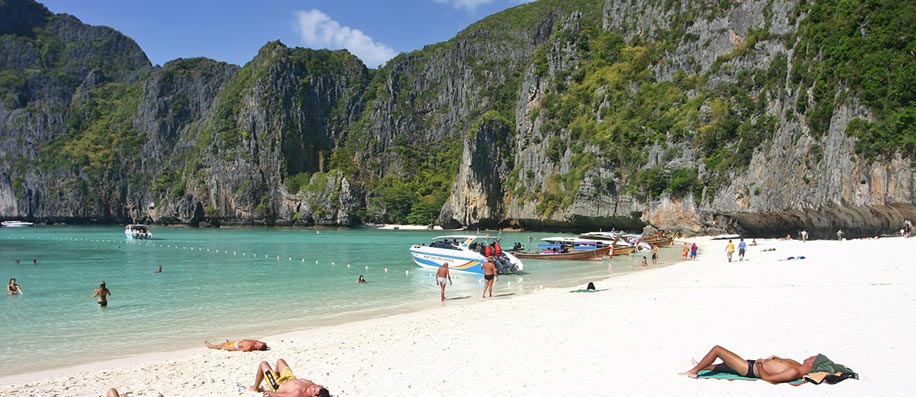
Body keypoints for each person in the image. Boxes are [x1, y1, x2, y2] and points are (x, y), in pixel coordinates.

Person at [682, 345, 816, 384]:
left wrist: (760, 365)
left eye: (813, 358)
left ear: (812, 364)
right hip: (752, 365)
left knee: (717, 350)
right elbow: (781, 365)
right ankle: (703, 365)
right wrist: (777, 358)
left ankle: (694, 371)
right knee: (725, 366)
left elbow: (768, 378)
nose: (810, 356)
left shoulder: (795, 372)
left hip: (749, 369)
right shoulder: (797, 365)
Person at [249, 358, 330, 397]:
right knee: (280, 361)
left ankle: (255, 387)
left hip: (277, 385)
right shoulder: (314, 386)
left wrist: (267, 392)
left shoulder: (298, 394)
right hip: (290, 378)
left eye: (314, 389)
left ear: (314, 395)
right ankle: (274, 377)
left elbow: (279, 396)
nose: (314, 386)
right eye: (318, 386)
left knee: (263, 363)